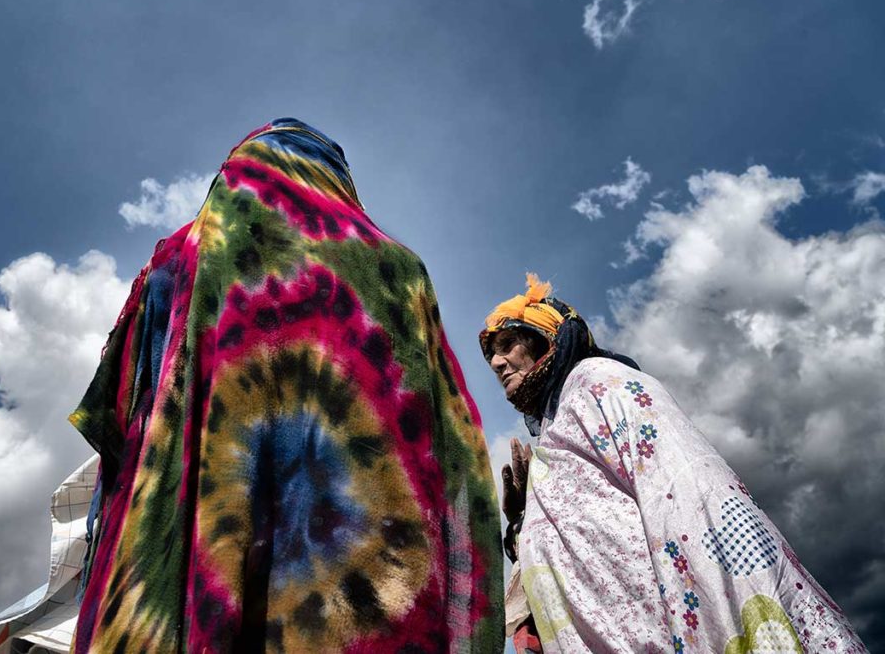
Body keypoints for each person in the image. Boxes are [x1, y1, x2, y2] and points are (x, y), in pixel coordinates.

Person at [69, 119, 504, 652]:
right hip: (379, 602)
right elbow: (453, 446)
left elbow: (122, 427)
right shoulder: (401, 268)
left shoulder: (182, 258)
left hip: (197, 585)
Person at [482, 274, 867, 653]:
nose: (497, 363)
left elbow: (690, 487)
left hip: (668, 629)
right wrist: (521, 523)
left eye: (507, 344)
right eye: (491, 356)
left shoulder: (600, 382)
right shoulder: (555, 427)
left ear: (544, 338)